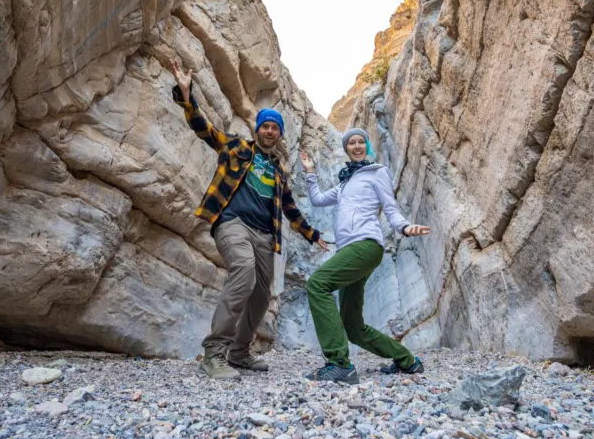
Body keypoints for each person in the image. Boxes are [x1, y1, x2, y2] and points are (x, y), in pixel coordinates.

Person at [171, 61, 328, 381]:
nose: (270, 131)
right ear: (258, 129)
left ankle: (240, 353)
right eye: (266, 126)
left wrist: (312, 234)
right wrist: (187, 96)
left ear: (279, 134)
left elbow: (290, 208)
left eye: (275, 128)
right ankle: (214, 353)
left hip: (264, 235)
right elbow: (206, 130)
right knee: (242, 268)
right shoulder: (238, 147)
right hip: (231, 222)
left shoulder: (279, 171)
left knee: (260, 295)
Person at [299, 128, 431, 384]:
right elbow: (316, 200)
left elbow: (390, 208)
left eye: (361, 142)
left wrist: (404, 226)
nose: (357, 146)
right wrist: (310, 172)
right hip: (349, 249)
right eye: (351, 143)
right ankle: (407, 361)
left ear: (367, 147)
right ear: (346, 149)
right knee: (352, 326)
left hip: (366, 244)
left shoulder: (377, 171)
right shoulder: (344, 183)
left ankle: (339, 365)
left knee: (318, 284)